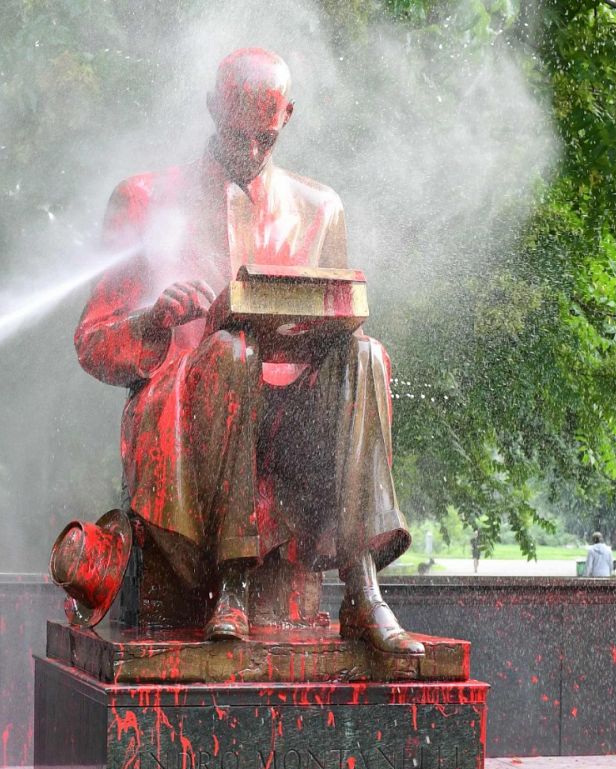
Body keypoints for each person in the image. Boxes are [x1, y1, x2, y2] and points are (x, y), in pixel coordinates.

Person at [74, 48, 416, 653]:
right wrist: (156, 320)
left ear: (288, 117)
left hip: (290, 420)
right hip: (190, 415)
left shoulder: (320, 208)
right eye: (238, 136)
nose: (252, 152)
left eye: (267, 138)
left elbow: (334, 325)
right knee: (232, 349)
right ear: (211, 109)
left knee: (363, 354)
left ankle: (362, 589)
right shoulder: (145, 198)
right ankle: (229, 581)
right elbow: (94, 343)